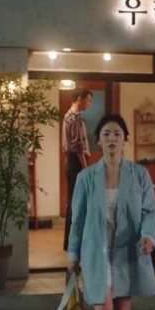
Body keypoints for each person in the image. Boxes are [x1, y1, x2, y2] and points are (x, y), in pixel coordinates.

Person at [67, 114, 155, 310]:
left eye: (117, 134)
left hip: (126, 250)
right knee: (104, 305)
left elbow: (150, 211)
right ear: (98, 140)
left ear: (124, 140)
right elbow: (77, 219)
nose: (112, 138)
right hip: (95, 251)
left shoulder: (139, 174)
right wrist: (73, 255)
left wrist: (148, 236)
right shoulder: (85, 177)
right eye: (106, 133)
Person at [62, 88, 93, 250]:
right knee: (78, 201)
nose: (89, 104)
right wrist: (86, 168)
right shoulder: (75, 118)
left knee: (73, 200)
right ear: (79, 98)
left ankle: (70, 242)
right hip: (77, 162)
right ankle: (75, 242)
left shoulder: (67, 115)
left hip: (70, 161)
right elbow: (78, 146)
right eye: (88, 100)